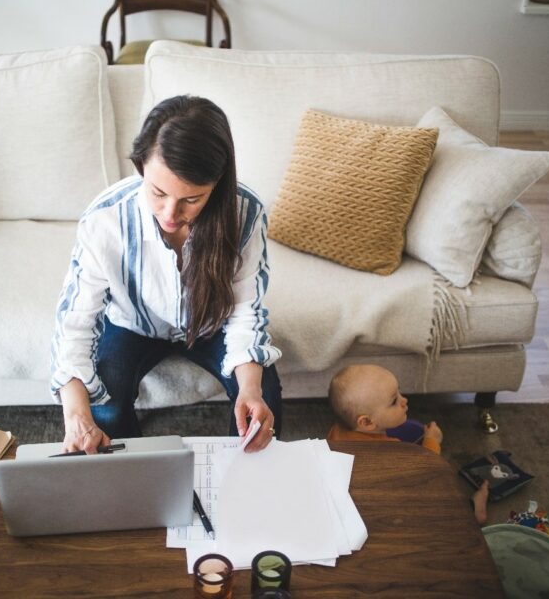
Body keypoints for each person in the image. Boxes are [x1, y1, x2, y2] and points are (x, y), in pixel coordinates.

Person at [50, 95, 282, 455]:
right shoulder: (105, 220)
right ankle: (135, 482)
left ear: (217, 183)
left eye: (192, 199)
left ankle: (243, 481)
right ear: (141, 166)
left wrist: (250, 391)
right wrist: (76, 414)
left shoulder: (245, 214)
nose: (170, 214)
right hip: (132, 325)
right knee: (104, 409)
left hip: (211, 322)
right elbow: (75, 321)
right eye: (158, 192)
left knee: (264, 399)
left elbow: (244, 309)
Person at [326, 364, 490, 523]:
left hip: (351, 507)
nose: (404, 400)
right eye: (394, 401)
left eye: (399, 392)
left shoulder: (335, 432)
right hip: (390, 512)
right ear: (367, 422)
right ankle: (472, 512)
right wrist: (432, 440)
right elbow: (426, 469)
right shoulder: (393, 451)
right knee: (441, 496)